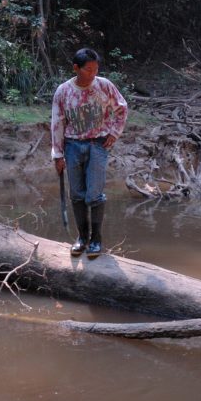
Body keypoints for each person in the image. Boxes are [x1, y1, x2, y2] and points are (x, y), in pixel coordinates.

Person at [50, 48, 128, 259]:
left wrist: (114, 132)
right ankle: (82, 238)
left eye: (96, 69)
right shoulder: (63, 91)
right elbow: (57, 123)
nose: (93, 74)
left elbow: (121, 108)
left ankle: (96, 240)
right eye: (88, 70)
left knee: (94, 194)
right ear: (76, 68)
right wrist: (57, 154)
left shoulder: (104, 86)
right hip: (73, 146)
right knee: (77, 194)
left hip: (98, 145)